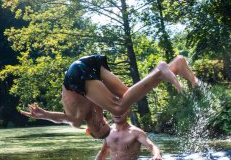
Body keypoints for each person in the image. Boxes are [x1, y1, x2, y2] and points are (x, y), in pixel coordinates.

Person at [20, 54, 197, 139]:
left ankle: (160, 70)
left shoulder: (77, 120)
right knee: (127, 98)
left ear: (88, 130)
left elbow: (61, 119)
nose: (100, 123)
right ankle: (176, 65)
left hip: (75, 75)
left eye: (98, 128)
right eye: (104, 124)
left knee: (119, 107)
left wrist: (43, 115)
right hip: (89, 65)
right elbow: (125, 104)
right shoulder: (98, 106)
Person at [92, 110, 164, 160]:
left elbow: (152, 147)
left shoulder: (136, 132)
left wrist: (157, 155)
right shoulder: (108, 131)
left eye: (121, 111)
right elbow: (104, 152)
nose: (117, 113)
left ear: (128, 112)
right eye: (114, 110)